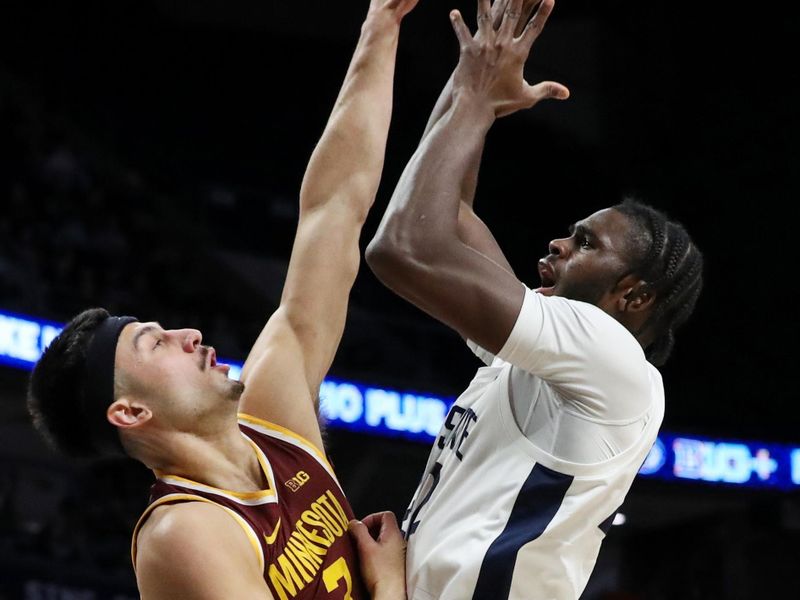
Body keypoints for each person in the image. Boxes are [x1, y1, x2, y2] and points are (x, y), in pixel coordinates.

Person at [26, 0, 417, 598]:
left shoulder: (276, 423)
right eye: (153, 343)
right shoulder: (184, 531)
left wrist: (381, 27)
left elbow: (334, 211)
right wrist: (389, 589)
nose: (188, 334)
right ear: (130, 412)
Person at [365, 0, 704, 598]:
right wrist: (475, 89)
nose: (557, 242)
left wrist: (474, 97)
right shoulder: (546, 360)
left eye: (584, 243)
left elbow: (402, 249)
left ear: (634, 295)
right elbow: (450, 214)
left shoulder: (611, 357)